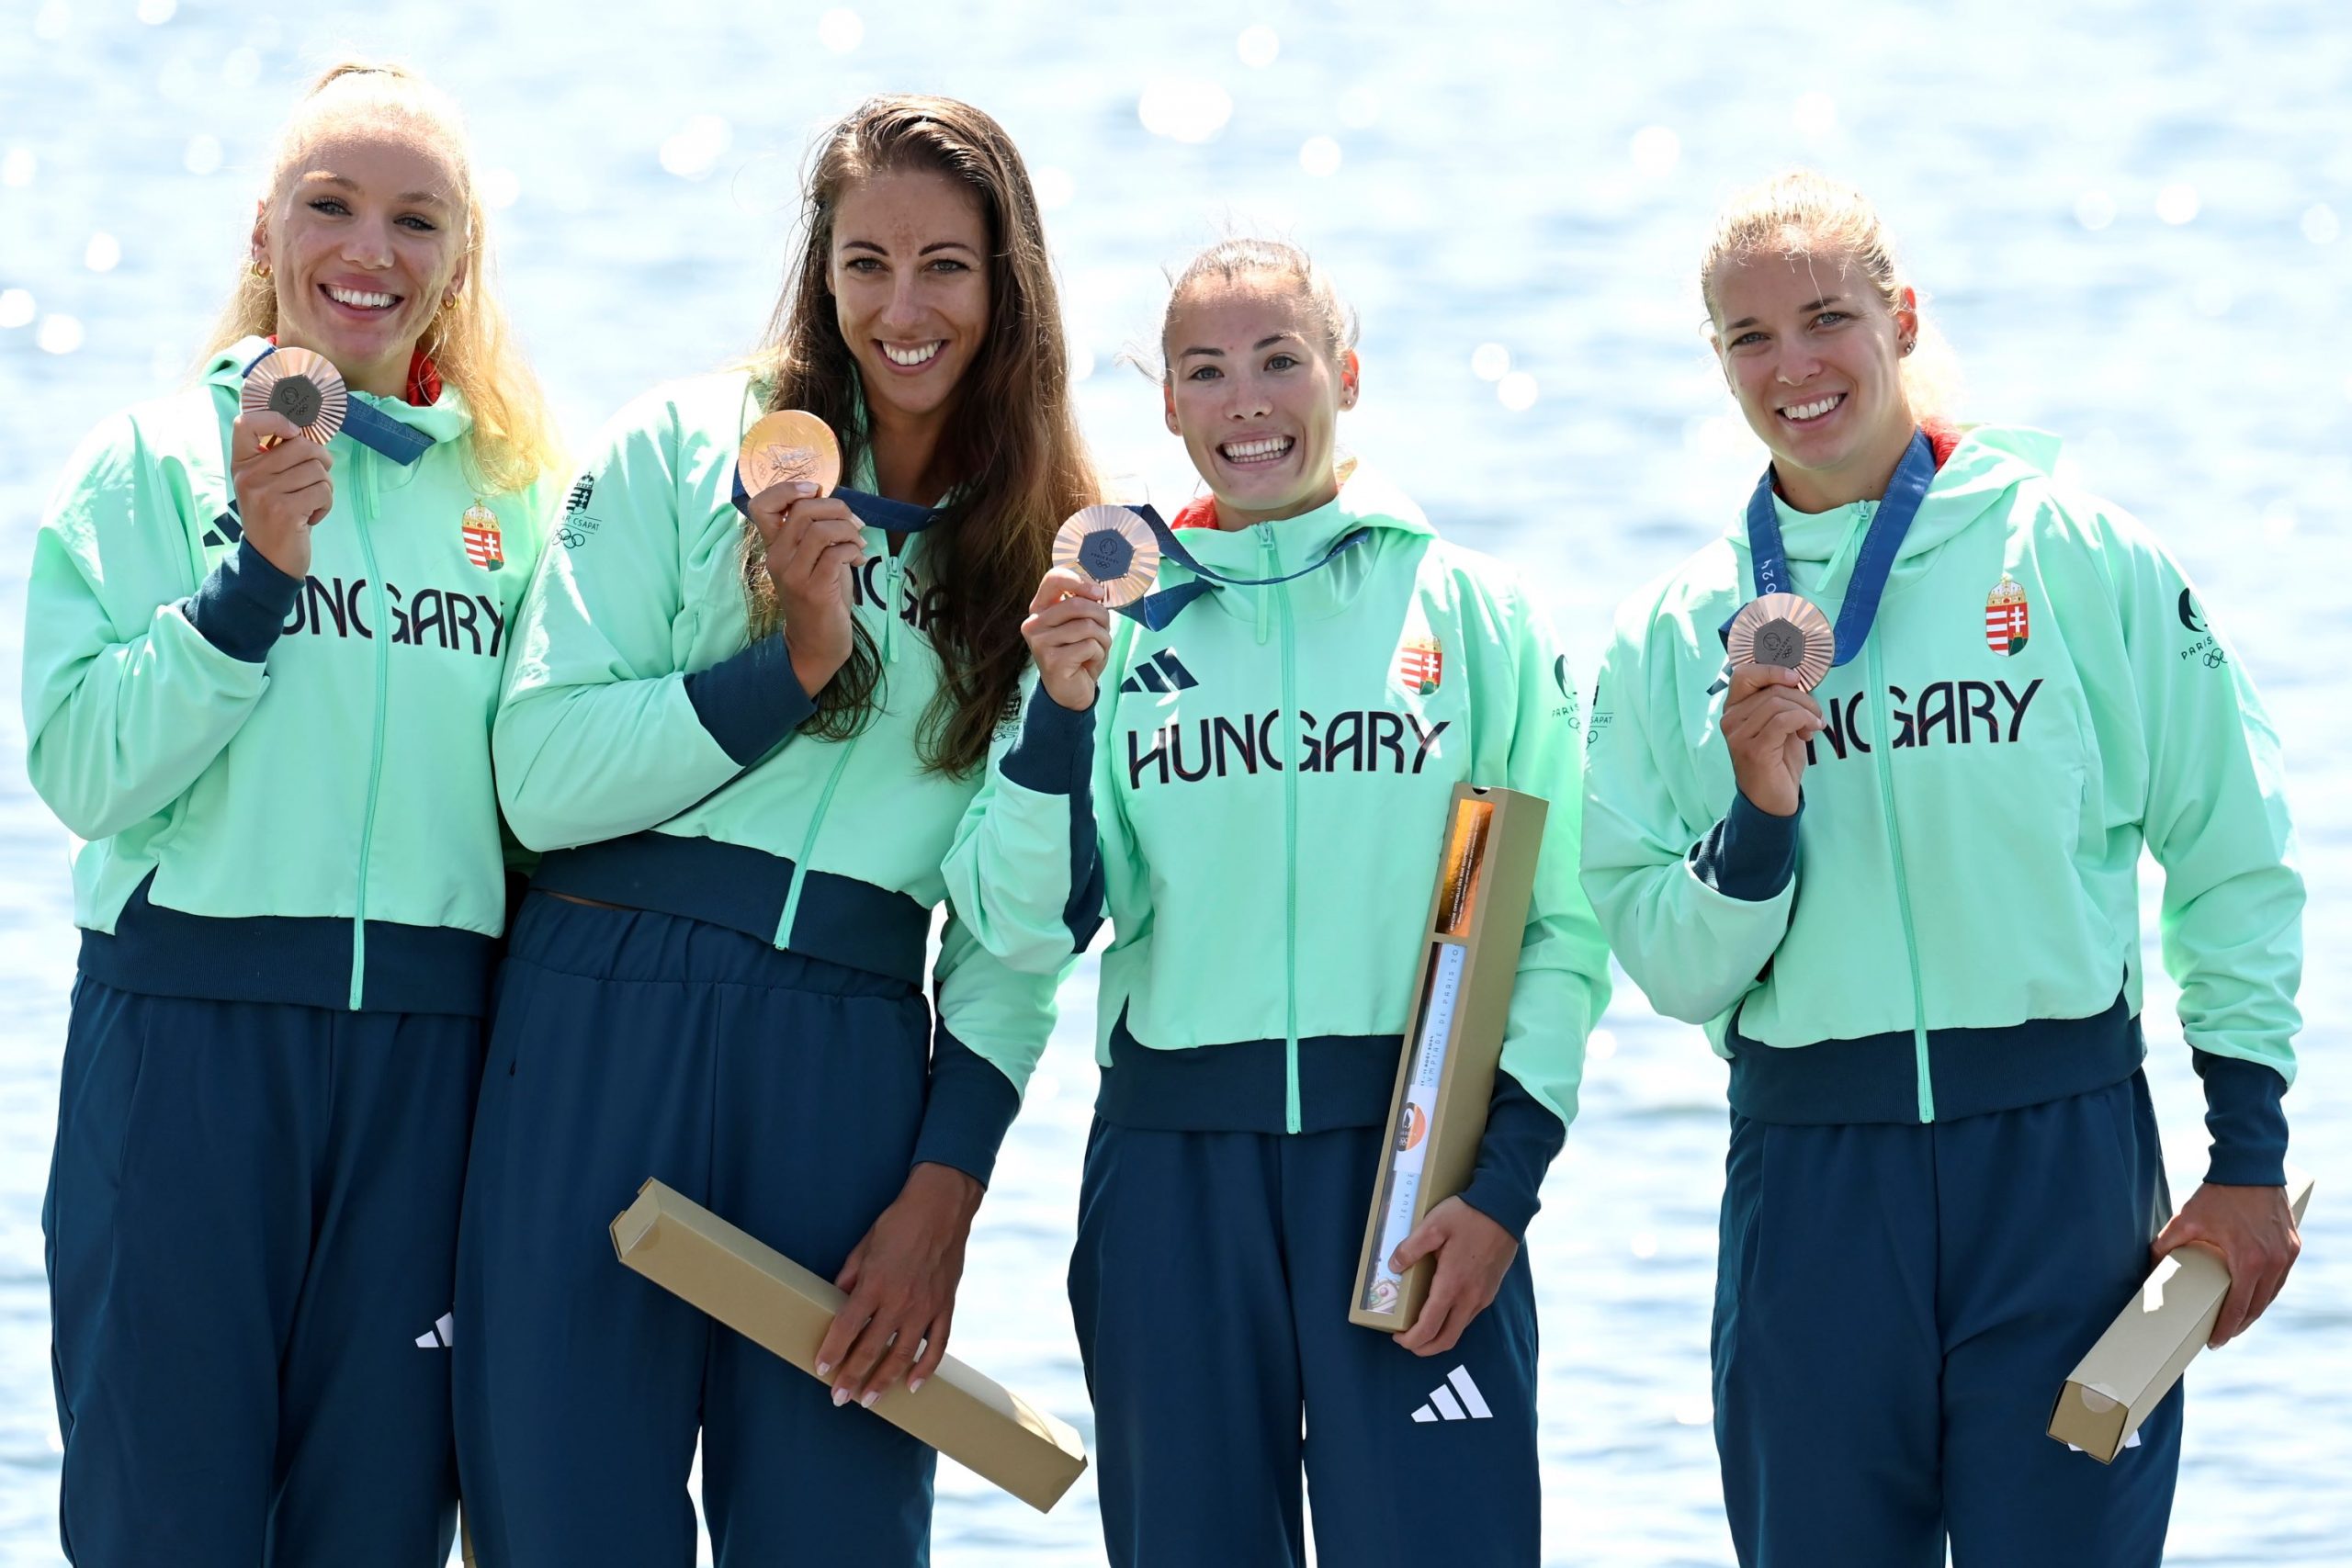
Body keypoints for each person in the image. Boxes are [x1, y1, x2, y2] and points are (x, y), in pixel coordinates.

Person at [1578, 170, 2303, 1568]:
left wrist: (2248, 1149)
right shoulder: (1675, 629)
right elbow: (1671, 965)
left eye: (1828, 319)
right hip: (1814, 1190)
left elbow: (2233, 848)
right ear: (1717, 360)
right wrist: (1758, 819)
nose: (1794, 367)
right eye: (1750, 338)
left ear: (1901, 319)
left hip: (2060, 1176)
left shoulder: (2077, 554)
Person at [452, 96, 1093, 1568]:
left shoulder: (1051, 550)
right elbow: (537, 776)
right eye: (866, 262)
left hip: (850, 1070)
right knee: (562, 1529)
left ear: (1009, 284)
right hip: (594, 1026)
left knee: (835, 1539)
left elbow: (1017, 932)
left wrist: (950, 1184)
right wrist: (786, 666)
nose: (903, 307)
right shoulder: (684, 444)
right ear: (822, 270)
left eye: (947, 266)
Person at [943, 238, 1610, 1567]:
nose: (1246, 400)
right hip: (1178, 1188)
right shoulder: (1114, 618)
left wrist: (1502, 1186)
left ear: (1344, 377)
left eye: (1278, 359)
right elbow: (1028, 925)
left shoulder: (1469, 614)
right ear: (1170, 409)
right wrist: (1058, 721)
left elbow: (1545, 929)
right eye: (1206, 371)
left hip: (1411, 1174)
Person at [22, 61, 561, 1568]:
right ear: (266, 230)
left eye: (416, 219)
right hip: (190, 1042)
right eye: (331, 207)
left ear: (462, 262)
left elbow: (557, 789)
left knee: (377, 1526)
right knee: (161, 1524)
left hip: (431, 1068)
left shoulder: (518, 502)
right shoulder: (140, 469)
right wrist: (253, 579)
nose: (369, 253)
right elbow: (81, 769)